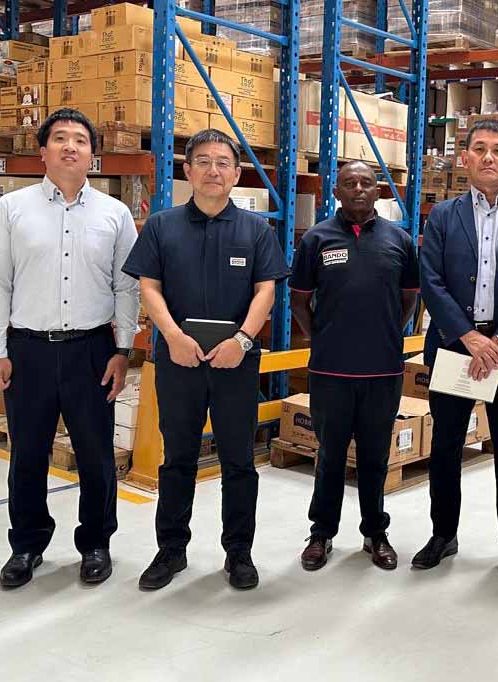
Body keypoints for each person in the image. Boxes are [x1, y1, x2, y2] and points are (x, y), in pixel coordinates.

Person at [122, 129, 290, 591]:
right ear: (188, 170)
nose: (213, 170)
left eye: (222, 163)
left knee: (239, 460)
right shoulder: (162, 226)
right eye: (203, 161)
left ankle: (239, 553)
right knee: (178, 459)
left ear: (236, 174)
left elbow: (266, 291)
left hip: (236, 364)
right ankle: (171, 550)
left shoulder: (256, 230)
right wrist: (172, 336)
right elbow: (149, 286)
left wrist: (243, 340)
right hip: (178, 363)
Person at [0, 108, 139, 588]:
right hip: (27, 350)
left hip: (92, 351)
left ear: (93, 155)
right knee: (27, 455)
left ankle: (96, 543)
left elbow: (126, 287)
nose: (71, 146)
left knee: (96, 454)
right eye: (60, 138)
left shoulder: (115, 214)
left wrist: (123, 349)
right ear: (42, 151)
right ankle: (27, 545)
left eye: (81, 140)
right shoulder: (11, 209)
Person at [415, 119, 498, 579]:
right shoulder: (442, 216)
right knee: (446, 446)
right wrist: (468, 337)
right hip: (454, 346)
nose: (488, 157)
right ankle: (443, 534)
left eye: (497, 150)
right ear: (464, 158)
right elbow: (430, 280)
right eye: (479, 149)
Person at [291, 161, 421, 571]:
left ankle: (375, 533)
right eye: (350, 183)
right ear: (336, 191)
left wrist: (387, 332)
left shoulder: (399, 241)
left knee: (374, 457)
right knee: (330, 455)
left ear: (378, 191)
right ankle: (321, 533)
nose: (359, 189)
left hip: (383, 371)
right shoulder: (316, 239)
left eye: (367, 183)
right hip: (330, 371)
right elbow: (299, 300)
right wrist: (321, 337)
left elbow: (409, 297)